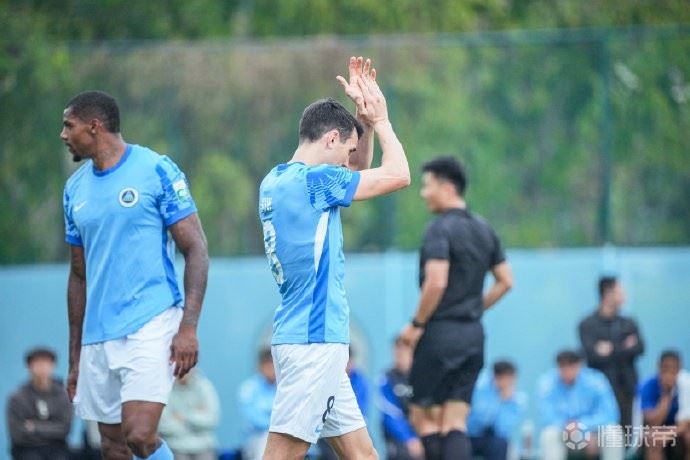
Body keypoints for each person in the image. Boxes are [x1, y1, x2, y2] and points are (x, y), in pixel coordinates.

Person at [258, 56, 410, 460]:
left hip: (306, 337)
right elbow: (398, 174)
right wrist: (381, 121)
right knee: (281, 455)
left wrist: (360, 125)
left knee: (363, 455)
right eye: (346, 149)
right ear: (329, 139)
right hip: (314, 341)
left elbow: (355, 171)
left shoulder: (276, 180)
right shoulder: (317, 182)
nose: (349, 161)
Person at [61, 90, 209, 460]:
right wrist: (75, 358)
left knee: (140, 435)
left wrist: (188, 327)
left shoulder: (156, 169)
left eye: (69, 125)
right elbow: (78, 276)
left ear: (94, 126)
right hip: (98, 335)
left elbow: (196, 249)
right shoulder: (74, 189)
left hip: (151, 322)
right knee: (112, 446)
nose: (63, 134)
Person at [399, 155, 513, 460]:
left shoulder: (439, 229)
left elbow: (436, 282)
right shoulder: (484, 229)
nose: (423, 193)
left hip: (439, 335)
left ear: (447, 188)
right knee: (454, 421)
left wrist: (416, 325)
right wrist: (474, 307)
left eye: (427, 186)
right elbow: (506, 281)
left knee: (423, 417)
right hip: (473, 336)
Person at [578, 275, 644, 428]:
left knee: (628, 432)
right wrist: (623, 346)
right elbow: (592, 356)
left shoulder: (628, 323)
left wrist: (611, 348)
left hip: (628, 388)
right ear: (608, 293)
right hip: (601, 389)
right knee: (604, 432)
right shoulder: (587, 324)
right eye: (620, 291)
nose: (624, 295)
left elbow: (639, 348)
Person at [538, 350, 622, 460]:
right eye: (562, 367)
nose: (567, 371)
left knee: (613, 432)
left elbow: (611, 414)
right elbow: (548, 417)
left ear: (579, 365)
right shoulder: (548, 384)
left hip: (593, 432)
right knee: (549, 434)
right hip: (565, 433)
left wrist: (583, 426)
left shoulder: (596, 381)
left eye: (571, 366)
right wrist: (570, 427)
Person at [6, 347, 72, 460]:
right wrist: (51, 428)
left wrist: (34, 427)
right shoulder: (17, 398)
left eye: (46, 363)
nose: (42, 368)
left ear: (53, 365)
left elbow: (65, 429)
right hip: (26, 450)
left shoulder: (63, 396)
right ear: (29, 366)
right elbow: (17, 434)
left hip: (57, 450)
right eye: (37, 363)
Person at [467, 360, 526, 460]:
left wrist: (505, 403)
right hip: (471, 436)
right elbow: (477, 422)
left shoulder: (516, 399)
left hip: (493, 440)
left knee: (502, 444)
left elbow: (503, 430)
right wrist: (497, 401)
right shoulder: (479, 389)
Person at [379, 336, 424, 460]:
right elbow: (390, 413)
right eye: (397, 351)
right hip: (398, 440)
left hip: (421, 434)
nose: (399, 354)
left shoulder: (422, 377)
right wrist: (409, 439)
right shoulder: (387, 378)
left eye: (404, 350)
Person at [158, 369, 220, 460]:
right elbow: (164, 426)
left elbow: (212, 420)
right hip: (176, 448)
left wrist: (184, 417)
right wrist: (197, 417)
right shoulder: (164, 389)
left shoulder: (205, 386)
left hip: (205, 447)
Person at [639, 350, 690, 460]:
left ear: (679, 369)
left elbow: (686, 422)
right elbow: (652, 422)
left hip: (680, 428)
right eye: (666, 368)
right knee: (653, 438)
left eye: (674, 369)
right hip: (657, 427)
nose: (669, 373)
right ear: (659, 367)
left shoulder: (686, 383)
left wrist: (668, 434)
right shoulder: (647, 385)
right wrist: (667, 394)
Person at [238, 348, 278, 460]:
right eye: (267, 365)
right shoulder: (249, 388)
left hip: (281, 436)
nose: (271, 369)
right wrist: (277, 424)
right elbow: (254, 420)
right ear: (260, 366)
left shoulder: (283, 387)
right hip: (256, 439)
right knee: (265, 439)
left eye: (273, 365)